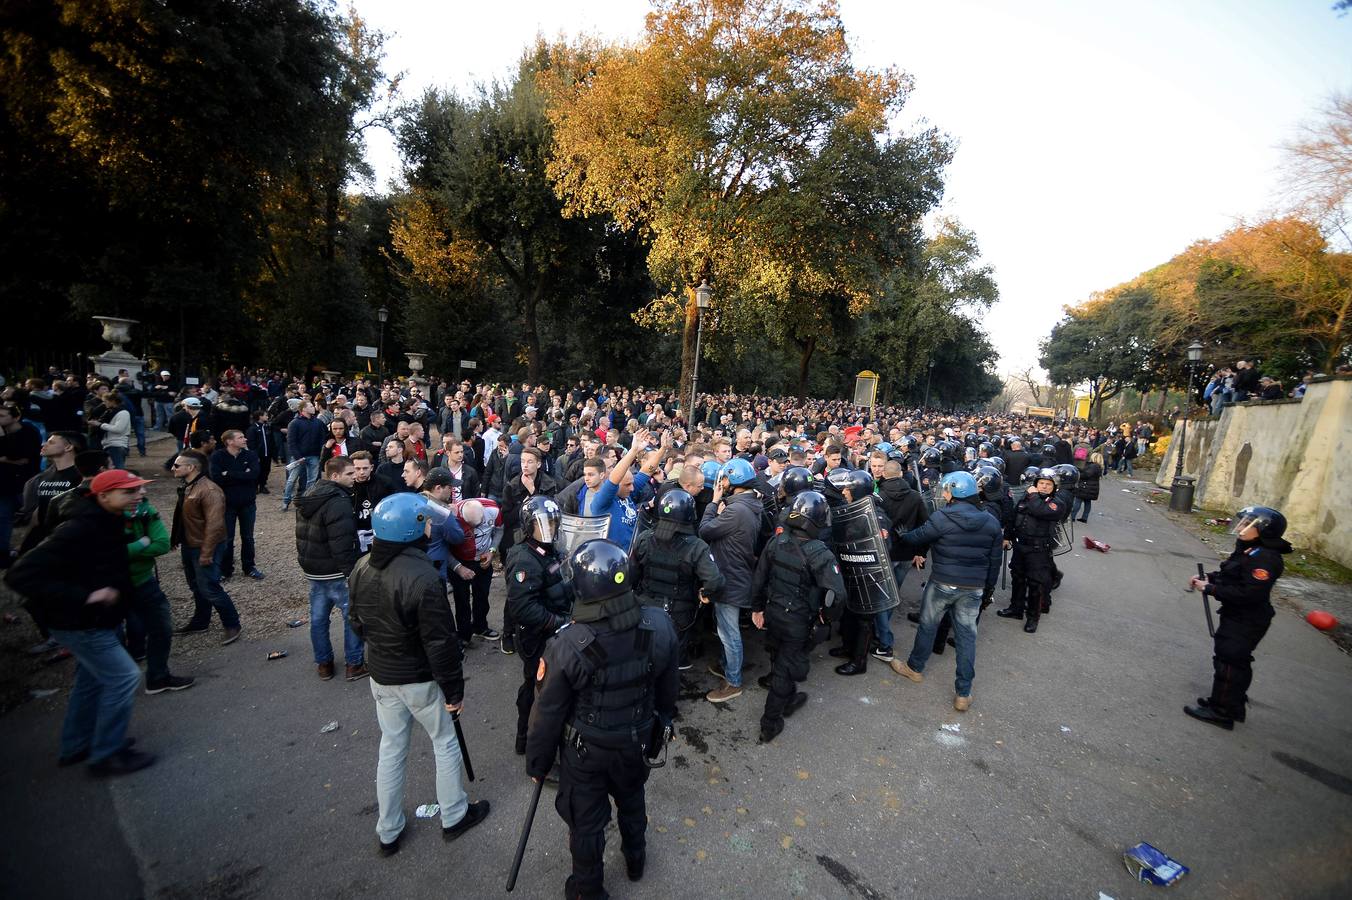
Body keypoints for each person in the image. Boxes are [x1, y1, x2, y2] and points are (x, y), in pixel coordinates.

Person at [525, 539, 679, 898]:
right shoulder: (658, 624)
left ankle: (587, 889)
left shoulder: (567, 644)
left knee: (587, 823)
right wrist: (661, 726)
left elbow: (546, 713)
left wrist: (538, 762)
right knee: (631, 798)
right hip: (635, 739)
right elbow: (668, 688)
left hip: (586, 751)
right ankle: (636, 858)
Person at [348, 493, 491, 856]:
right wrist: (454, 691)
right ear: (411, 529)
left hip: (381, 673)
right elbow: (440, 643)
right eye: (425, 521)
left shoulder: (361, 567)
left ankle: (389, 829)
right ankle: (455, 815)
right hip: (418, 678)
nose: (431, 526)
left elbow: (357, 623)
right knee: (445, 742)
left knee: (392, 747)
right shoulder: (424, 576)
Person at [4, 469, 157, 774]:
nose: (138, 495)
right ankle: (106, 754)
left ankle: (76, 744)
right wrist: (86, 596)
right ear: (103, 495)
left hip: (99, 619)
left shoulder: (107, 520)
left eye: (138, 490)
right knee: (124, 677)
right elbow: (20, 574)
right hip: (81, 621)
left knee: (91, 680)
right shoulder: (79, 527)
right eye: (129, 491)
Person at [890, 471, 1002, 711]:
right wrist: (988, 588)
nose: (943, 493)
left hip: (942, 582)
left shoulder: (941, 518)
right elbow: (995, 561)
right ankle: (963, 692)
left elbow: (917, 537)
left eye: (946, 489)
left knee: (928, 626)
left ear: (953, 491)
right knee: (967, 638)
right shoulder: (991, 521)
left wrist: (902, 535)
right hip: (973, 588)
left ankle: (915, 668)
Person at [1184, 506, 1292, 730]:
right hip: (1237, 615)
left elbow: (1249, 593)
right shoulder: (1250, 550)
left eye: (1247, 524)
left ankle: (1222, 712)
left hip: (1247, 619)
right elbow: (1232, 574)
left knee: (1231, 663)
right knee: (1228, 659)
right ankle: (1226, 701)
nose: (1241, 527)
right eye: (1242, 522)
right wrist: (1209, 577)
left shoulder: (1265, 558)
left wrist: (1210, 589)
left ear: (1263, 530)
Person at [749, 491, 844, 743]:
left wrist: (757, 608)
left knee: (777, 656)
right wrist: (825, 619)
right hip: (798, 621)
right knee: (784, 669)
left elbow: (759, 578)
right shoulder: (820, 553)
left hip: (773, 612)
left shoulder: (777, 541)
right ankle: (770, 723)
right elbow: (838, 595)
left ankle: (789, 697)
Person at [630, 488, 726, 670]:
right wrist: (705, 593)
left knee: (641, 652)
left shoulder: (644, 538)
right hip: (678, 614)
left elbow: (631, 574)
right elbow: (715, 580)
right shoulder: (697, 546)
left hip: (645, 608)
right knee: (672, 659)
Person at [504, 496, 571, 754]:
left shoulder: (551, 550)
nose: (549, 530)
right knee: (537, 693)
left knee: (551, 690)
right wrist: (559, 622)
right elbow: (523, 608)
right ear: (528, 525)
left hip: (555, 632)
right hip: (538, 637)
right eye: (543, 525)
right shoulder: (524, 558)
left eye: (553, 524)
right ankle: (530, 745)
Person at [296, 457, 367, 681]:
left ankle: (324, 663)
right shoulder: (338, 501)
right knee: (352, 617)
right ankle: (354, 664)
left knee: (318, 618)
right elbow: (342, 541)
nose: (354, 477)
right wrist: (351, 573)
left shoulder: (311, 494)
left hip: (314, 568)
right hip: (336, 570)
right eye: (349, 474)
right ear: (334, 476)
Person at [698, 457, 761, 703]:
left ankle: (733, 681)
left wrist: (713, 503)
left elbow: (705, 530)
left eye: (723, 478)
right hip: (737, 573)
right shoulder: (749, 503)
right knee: (725, 627)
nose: (720, 483)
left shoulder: (735, 510)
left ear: (732, 480)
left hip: (731, 577)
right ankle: (726, 664)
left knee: (728, 632)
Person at [121, 484, 195, 693]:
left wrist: (129, 550)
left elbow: (162, 544)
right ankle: (115, 681)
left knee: (161, 627)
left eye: (140, 489)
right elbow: (107, 553)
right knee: (112, 635)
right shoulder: (95, 517)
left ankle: (157, 676)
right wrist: (142, 543)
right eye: (132, 490)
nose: (142, 493)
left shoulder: (145, 509)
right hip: (110, 585)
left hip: (144, 581)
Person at [170, 450, 242, 643]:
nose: (172, 468)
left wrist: (207, 551)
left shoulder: (209, 490)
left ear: (192, 467)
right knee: (196, 586)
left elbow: (215, 524)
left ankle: (232, 624)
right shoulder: (188, 486)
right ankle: (201, 620)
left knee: (209, 587)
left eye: (177, 465)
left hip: (204, 545)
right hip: (191, 543)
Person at [995, 469, 1062, 634]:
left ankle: (1033, 617)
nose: (1044, 487)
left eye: (1048, 484)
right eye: (1041, 483)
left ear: (1054, 486)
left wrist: (1033, 496)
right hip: (1021, 545)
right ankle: (1015, 609)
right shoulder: (1027, 498)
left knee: (1035, 584)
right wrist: (1007, 537)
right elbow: (1014, 517)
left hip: (1038, 550)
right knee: (1017, 578)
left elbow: (1040, 510)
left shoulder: (1056, 503)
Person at [209, 429, 264, 581]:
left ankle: (249, 567)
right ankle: (225, 570)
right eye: (240, 437)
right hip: (227, 504)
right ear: (229, 441)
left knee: (248, 537)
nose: (245, 439)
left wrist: (229, 473)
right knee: (227, 538)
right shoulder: (218, 456)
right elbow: (216, 478)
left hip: (247, 503)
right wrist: (242, 474)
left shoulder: (250, 455)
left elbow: (253, 475)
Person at [447, 498, 503, 645]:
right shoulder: (451, 516)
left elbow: (499, 530)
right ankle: (464, 635)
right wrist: (458, 567)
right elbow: (442, 547)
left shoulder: (493, 509)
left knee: (482, 596)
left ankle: (480, 627)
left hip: (483, 560)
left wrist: (492, 551)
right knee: (461, 600)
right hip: (460, 561)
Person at [0, 401, 42, 565]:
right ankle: (3, 554)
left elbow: (24, 457)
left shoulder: (29, 432)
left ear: (16, 417)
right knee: (3, 519)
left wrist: (6, 456)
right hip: (4, 484)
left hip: (26, 482)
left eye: (2, 416)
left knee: (36, 518)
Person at [283, 401, 325, 510]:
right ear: (303, 409)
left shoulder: (318, 422)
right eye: (311, 406)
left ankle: (307, 501)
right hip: (298, 457)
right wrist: (298, 457)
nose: (313, 407)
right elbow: (291, 442)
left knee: (312, 480)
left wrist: (320, 453)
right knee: (292, 480)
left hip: (314, 456)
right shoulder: (294, 423)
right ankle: (286, 500)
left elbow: (322, 438)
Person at [245, 410, 278, 494]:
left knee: (266, 470)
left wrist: (273, 453)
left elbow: (271, 441)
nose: (267, 417)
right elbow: (251, 443)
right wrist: (255, 455)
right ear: (260, 417)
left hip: (267, 454)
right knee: (257, 470)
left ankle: (262, 485)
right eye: (265, 415)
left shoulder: (267, 427)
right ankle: (255, 486)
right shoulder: (252, 429)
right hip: (258, 455)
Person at [1071, 449, 1102, 523]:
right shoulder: (1098, 466)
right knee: (1087, 502)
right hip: (1092, 487)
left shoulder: (1093, 466)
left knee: (1078, 501)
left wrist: (1078, 475)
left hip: (1086, 486)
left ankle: (1072, 516)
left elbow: (1087, 475)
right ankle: (1084, 517)